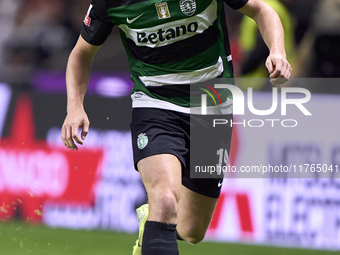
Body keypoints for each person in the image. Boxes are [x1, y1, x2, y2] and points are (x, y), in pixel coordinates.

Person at [61, 0, 291, 255]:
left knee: (192, 230)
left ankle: (151, 223)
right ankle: (157, 217)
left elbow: (261, 9)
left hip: (211, 104)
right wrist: (75, 107)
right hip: (155, 104)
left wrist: (277, 51)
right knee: (165, 200)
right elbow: (81, 53)